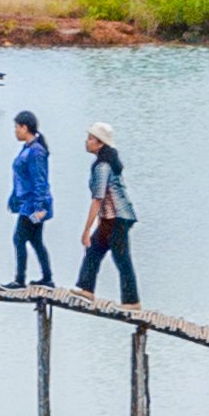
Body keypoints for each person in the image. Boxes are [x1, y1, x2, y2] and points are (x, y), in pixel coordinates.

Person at [75, 124, 139, 304]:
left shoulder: (103, 166)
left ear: (100, 143)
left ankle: (132, 302)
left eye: (90, 138)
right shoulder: (105, 162)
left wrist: (86, 230)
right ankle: (87, 289)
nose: (87, 142)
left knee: (122, 259)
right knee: (94, 250)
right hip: (110, 218)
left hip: (117, 218)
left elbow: (98, 199)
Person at [4, 111, 56, 287]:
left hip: (34, 205)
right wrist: (14, 197)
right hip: (27, 203)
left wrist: (40, 208)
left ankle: (20, 280)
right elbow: (22, 177)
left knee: (19, 238)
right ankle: (47, 278)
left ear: (25, 128)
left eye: (17, 127)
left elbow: (39, 181)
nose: (15, 131)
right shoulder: (28, 148)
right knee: (35, 240)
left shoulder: (36, 152)